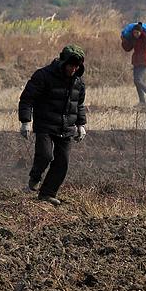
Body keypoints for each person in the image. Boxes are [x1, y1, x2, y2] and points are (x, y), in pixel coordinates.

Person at [18, 45, 87, 206]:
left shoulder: (78, 81)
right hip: (46, 124)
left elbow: (79, 104)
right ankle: (35, 176)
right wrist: (25, 121)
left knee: (62, 162)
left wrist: (80, 125)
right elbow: (27, 99)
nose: (73, 69)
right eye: (71, 65)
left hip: (67, 127)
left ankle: (47, 193)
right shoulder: (43, 76)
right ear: (63, 63)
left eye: (77, 66)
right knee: (45, 155)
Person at [121, 22, 146, 105]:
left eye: (137, 33)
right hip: (136, 61)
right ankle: (142, 101)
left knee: (138, 79)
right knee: (136, 81)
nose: (136, 34)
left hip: (144, 60)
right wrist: (123, 41)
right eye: (134, 33)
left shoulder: (144, 37)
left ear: (140, 32)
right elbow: (127, 48)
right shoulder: (133, 39)